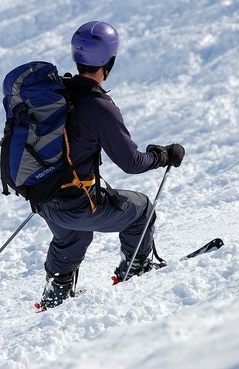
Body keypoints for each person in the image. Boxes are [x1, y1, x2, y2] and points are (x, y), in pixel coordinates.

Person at [36, 21, 185, 309]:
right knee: (140, 209)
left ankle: (56, 291)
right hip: (74, 203)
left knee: (73, 234)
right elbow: (131, 162)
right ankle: (135, 269)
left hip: (44, 198)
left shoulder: (58, 95)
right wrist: (162, 156)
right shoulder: (99, 107)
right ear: (110, 61)